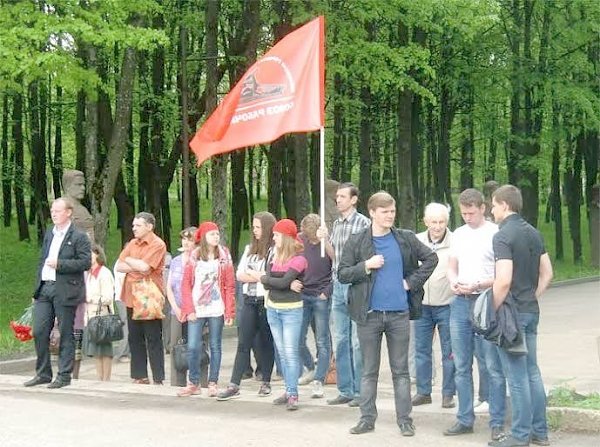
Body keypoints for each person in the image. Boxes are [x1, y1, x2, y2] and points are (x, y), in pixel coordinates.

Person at [339, 191, 437, 436]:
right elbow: (342, 273)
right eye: (385, 212)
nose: (390, 216)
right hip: (369, 315)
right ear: (372, 212)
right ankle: (366, 419)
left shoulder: (405, 238)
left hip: (399, 315)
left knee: (401, 371)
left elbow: (431, 259)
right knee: (369, 370)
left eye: (392, 211)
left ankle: (405, 420)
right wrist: (366, 266)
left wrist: (411, 282)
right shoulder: (357, 240)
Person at [488, 185, 553, 447]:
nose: (492, 210)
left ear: (504, 205)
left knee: (516, 377)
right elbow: (547, 273)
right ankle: (540, 432)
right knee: (532, 372)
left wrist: (490, 310)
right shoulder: (533, 232)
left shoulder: (503, 235)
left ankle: (519, 435)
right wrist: (531, 297)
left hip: (510, 315)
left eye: (493, 205)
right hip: (530, 310)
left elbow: (503, 281)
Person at [444, 189, 507, 441]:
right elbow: (451, 266)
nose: (467, 217)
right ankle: (464, 417)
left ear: (482, 208)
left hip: (485, 299)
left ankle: (497, 420)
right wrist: (453, 281)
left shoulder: (495, 233)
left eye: (471, 212)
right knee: (461, 364)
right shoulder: (459, 234)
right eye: (463, 213)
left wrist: (481, 284)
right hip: (460, 300)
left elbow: (503, 273)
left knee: (491, 363)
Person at [25, 197, 92, 389]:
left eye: (58, 210)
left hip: (65, 289)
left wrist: (60, 264)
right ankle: (43, 373)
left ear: (68, 212)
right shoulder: (50, 233)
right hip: (45, 287)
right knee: (39, 330)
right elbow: (42, 260)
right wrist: (37, 287)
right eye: (52, 210)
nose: (54, 214)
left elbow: (85, 262)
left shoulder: (78, 236)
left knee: (65, 332)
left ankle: (64, 375)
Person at [217, 212, 277, 401]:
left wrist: (259, 275)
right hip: (249, 299)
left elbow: (270, 275)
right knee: (243, 342)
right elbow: (240, 274)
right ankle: (234, 383)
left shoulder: (274, 250)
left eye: (258, 227)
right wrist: (257, 275)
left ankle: (266, 380)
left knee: (266, 342)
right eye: (254, 226)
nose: (254, 230)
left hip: (265, 300)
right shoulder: (249, 248)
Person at [179, 222, 235, 397]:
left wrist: (229, 311)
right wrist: (189, 309)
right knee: (193, 346)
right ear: (203, 237)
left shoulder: (224, 256)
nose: (216, 237)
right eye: (212, 234)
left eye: (217, 234)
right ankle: (193, 382)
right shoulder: (194, 257)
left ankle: (213, 382)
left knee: (215, 345)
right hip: (197, 307)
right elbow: (186, 285)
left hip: (216, 308)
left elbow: (229, 285)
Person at [327, 182, 370, 406]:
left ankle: (361, 391)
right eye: (337, 196)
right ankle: (345, 389)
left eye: (343, 196)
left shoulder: (364, 223)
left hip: (356, 285)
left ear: (353, 199)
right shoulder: (336, 224)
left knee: (356, 341)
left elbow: (366, 257)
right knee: (341, 340)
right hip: (338, 284)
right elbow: (335, 257)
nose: (338, 200)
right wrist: (325, 239)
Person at [258, 218, 307, 410]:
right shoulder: (274, 256)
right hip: (273, 308)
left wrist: (268, 279)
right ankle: (288, 389)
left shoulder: (299, 259)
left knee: (290, 352)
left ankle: (293, 393)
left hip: (291, 310)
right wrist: (273, 280)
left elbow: (279, 281)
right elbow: (273, 282)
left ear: (286, 237)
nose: (274, 238)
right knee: (283, 354)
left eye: (277, 235)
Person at [412, 203, 456, 409]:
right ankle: (423, 392)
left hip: (447, 304)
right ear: (426, 221)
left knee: (449, 351)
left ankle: (448, 393)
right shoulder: (417, 240)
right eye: (433, 222)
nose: (437, 226)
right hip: (422, 305)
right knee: (421, 350)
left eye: (442, 222)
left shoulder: (456, 240)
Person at [116, 212, 167, 385]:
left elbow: (146, 267)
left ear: (149, 226)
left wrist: (130, 260)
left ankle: (158, 377)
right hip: (131, 295)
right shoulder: (132, 243)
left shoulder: (158, 244)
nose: (134, 228)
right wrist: (135, 264)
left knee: (152, 337)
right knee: (134, 336)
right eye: (133, 225)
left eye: (138, 225)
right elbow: (118, 266)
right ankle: (140, 375)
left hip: (148, 296)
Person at [296, 213, 334, 399]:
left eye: (312, 236)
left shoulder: (325, 240)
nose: (310, 239)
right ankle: (310, 368)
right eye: (307, 236)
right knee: (297, 338)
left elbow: (337, 262)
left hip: (321, 294)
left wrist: (326, 291)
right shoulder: (300, 239)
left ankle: (319, 379)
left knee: (322, 339)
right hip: (303, 293)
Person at [165, 227, 197, 387]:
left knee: (195, 345)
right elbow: (169, 287)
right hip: (176, 310)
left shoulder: (199, 260)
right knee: (176, 346)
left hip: (194, 311)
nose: (186, 242)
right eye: (184, 238)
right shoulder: (176, 261)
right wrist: (176, 308)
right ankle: (177, 382)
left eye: (190, 239)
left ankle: (197, 380)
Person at [82, 244, 115, 381]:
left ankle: (106, 379)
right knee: (96, 350)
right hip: (90, 316)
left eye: (90, 254)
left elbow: (108, 297)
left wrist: (89, 298)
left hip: (102, 316)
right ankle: (99, 377)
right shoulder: (87, 274)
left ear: (97, 254)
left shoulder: (104, 273)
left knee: (105, 350)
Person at [62, 169, 95, 241]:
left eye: (83, 185)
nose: (83, 188)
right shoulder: (61, 209)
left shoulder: (83, 210)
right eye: (79, 185)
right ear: (67, 186)